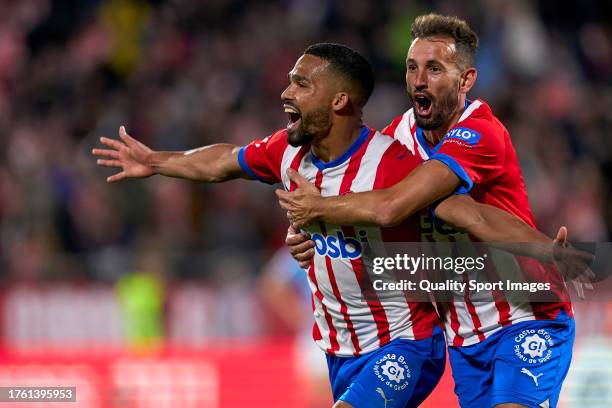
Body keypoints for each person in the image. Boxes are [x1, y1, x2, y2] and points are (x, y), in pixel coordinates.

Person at [94, 41, 580, 407]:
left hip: (405, 342)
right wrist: (157, 160)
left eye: (302, 84)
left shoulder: (391, 165)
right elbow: (223, 161)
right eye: (290, 80)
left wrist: (545, 250)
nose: (286, 92)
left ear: (340, 101)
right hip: (337, 348)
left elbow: (468, 212)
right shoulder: (287, 153)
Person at [276, 15, 578, 408]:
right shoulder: (393, 143)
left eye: (435, 69)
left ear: (466, 80)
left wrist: (318, 207)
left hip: (528, 312)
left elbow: (398, 207)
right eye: (412, 67)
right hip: (464, 337)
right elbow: (356, 198)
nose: (419, 80)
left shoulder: (481, 132)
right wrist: (306, 233)